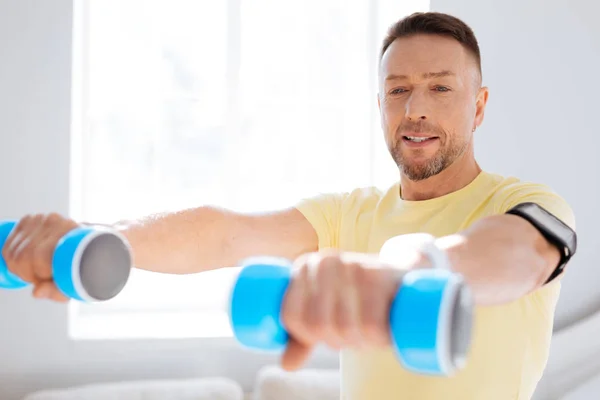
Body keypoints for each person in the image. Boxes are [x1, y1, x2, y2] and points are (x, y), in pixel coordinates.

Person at [1, 11, 577, 400]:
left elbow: (518, 254)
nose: (415, 109)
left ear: (478, 107)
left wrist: (406, 275)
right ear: (380, 105)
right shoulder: (350, 214)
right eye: (398, 90)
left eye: (440, 87)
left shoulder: (524, 205)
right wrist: (95, 239)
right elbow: (224, 233)